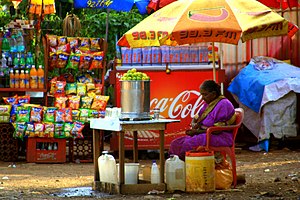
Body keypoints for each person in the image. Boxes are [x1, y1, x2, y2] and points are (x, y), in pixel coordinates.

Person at [169, 80, 236, 161]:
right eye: (201, 94)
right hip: (205, 134)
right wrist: (194, 124)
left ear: (214, 94)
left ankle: (188, 168)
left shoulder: (224, 104)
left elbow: (217, 130)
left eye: (205, 94)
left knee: (188, 144)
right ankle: (177, 167)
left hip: (221, 137)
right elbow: (197, 117)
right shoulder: (208, 103)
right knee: (175, 144)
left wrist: (196, 132)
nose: (202, 98)